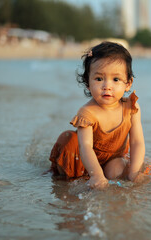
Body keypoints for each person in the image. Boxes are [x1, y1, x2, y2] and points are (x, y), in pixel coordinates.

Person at [49, 41, 145, 189]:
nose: (107, 86)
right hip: (83, 158)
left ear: (128, 83)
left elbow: (137, 142)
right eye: (99, 79)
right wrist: (96, 175)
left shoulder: (131, 107)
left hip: (113, 157)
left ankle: (114, 172)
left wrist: (134, 172)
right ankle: (66, 176)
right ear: (88, 82)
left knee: (117, 171)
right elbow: (85, 146)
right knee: (69, 142)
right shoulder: (88, 112)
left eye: (116, 79)